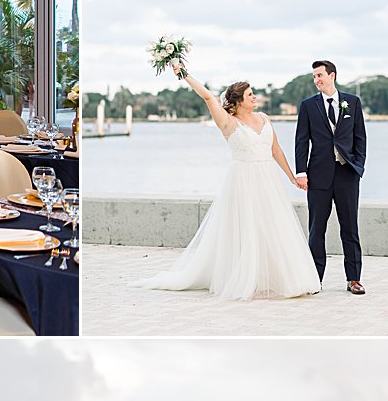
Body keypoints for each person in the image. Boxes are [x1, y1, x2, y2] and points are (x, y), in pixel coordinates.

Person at [131, 61, 320, 300]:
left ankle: (281, 277)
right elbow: (209, 98)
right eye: (250, 95)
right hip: (243, 180)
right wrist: (184, 74)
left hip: (268, 180)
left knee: (274, 226)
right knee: (247, 229)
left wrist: (292, 176)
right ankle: (244, 278)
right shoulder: (228, 122)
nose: (255, 98)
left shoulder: (263, 117)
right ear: (239, 100)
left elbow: (276, 149)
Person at [295, 60, 367, 295]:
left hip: (347, 174)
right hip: (318, 176)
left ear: (332, 75)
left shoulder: (352, 103)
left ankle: (353, 279)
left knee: (350, 228)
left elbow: (360, 138)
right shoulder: (308, 106)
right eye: (314, 76)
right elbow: (301, 141)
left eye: (319, 75)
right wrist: (301, 172)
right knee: (317, 229)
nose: (316, 80)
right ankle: (315, 279)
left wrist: (359, 166)